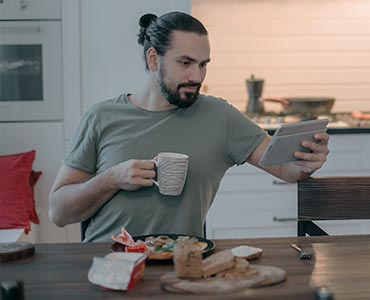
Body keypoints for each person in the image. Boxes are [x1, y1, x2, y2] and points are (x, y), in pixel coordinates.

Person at [48, 11, 330, 242]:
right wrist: (112, 178)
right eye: (185, 63)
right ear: (153, 59)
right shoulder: (101, 117)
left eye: (203, 64)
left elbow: (283, 168)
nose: (196, 75)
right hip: (103, 264)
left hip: (181, 268)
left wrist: (306, 163)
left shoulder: (219, 115)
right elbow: (59, 212)